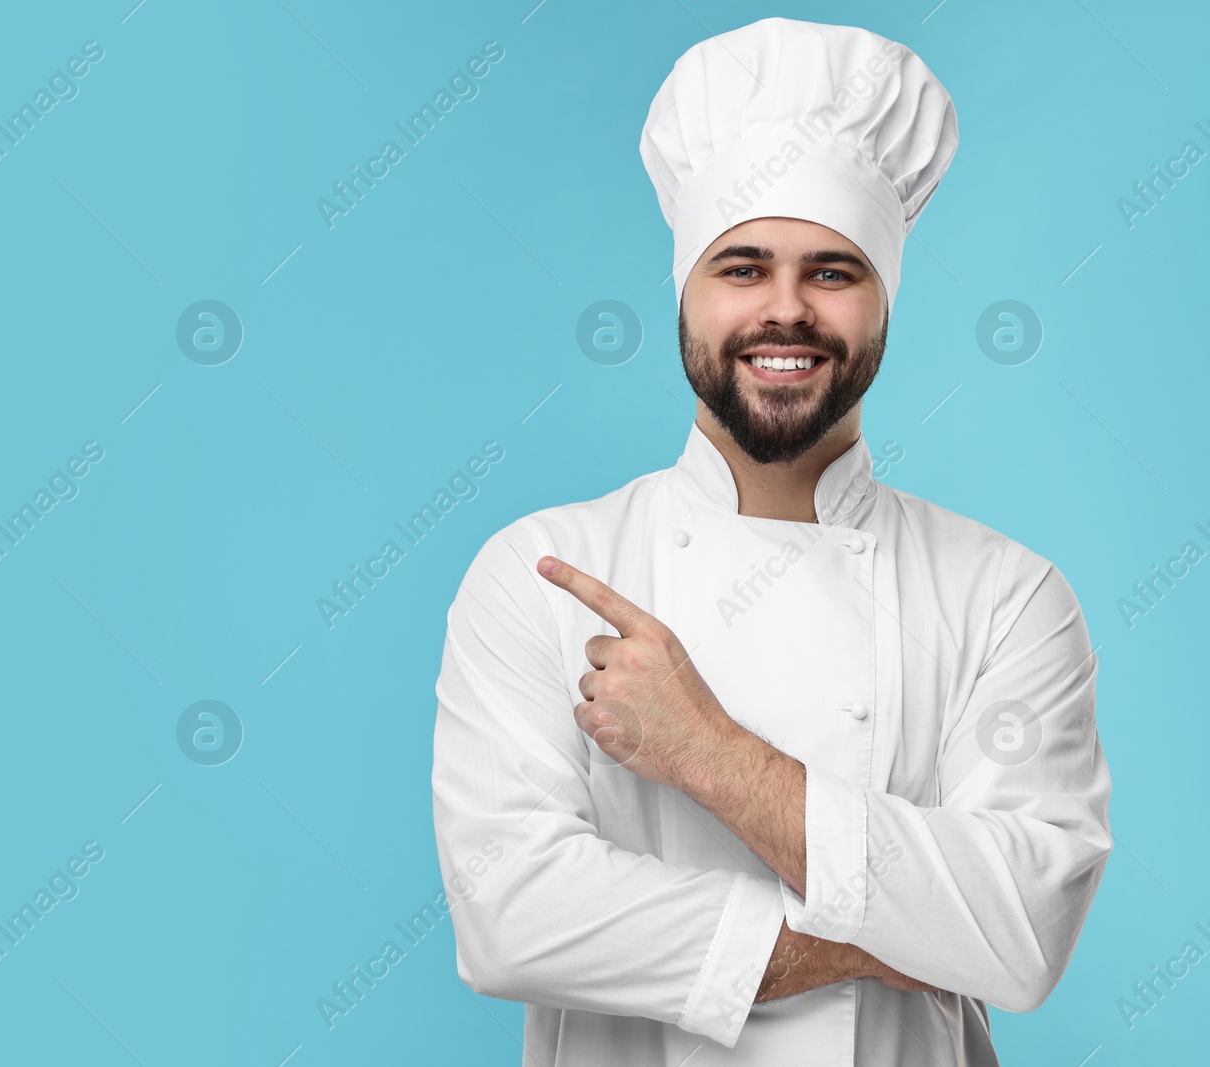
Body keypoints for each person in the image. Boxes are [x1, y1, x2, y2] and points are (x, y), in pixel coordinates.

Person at [430, 16, 1112, 1065]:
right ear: (685, 296)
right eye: (741, 268)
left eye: (831, 272)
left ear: (885, 298)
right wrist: (904, 935)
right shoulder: (544, 572)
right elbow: (508, 911)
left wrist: (709, 754)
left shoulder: (1005, 594)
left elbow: (1022, 929)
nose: (784, 312)